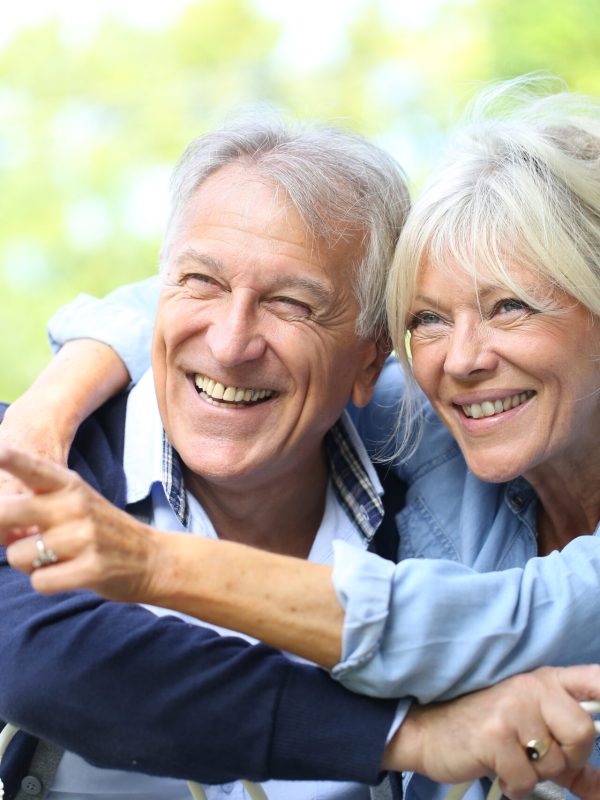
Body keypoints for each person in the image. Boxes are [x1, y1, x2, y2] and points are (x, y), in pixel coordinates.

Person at [2, 82, 600, 800]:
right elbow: (49, 665)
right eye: (432, 318)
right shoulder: (35, 460)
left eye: (511, 307)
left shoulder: (429, 454)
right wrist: (52, 400)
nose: (463, 359)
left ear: (368, 361)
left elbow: (475, 624)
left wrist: (148, 563)